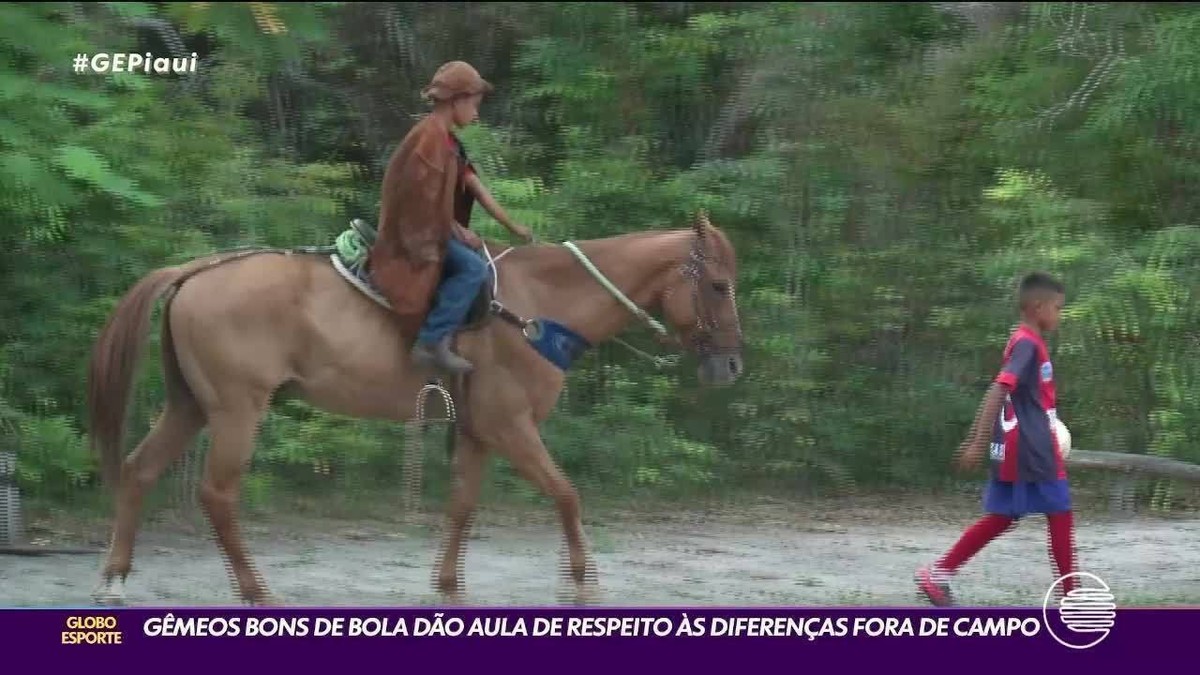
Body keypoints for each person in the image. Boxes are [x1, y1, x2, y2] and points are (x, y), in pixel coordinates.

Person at [914, 271, 1076, 606]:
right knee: (1060, 513)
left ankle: (938, 573)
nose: (1059, 315)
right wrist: (977, 440)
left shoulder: (1024, 340)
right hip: (1032, 448)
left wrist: (982, 439)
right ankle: (1071, 595)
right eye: (1057, 308)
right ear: (1037, 307)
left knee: (1005, 516)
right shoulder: (1027, 345)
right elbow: (999, 389)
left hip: (1022, 445)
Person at [368, 60, 532, 374]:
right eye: (474, 103)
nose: (476, 112)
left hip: (435, 229)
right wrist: (456, 230)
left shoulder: (448, 141)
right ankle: (430, 340)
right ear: (456, 100)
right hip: (413, 237)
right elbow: (421, 202)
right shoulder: (428, 140)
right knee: (473, 270)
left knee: (482, 256)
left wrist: (513, 226)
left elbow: (476, 188)